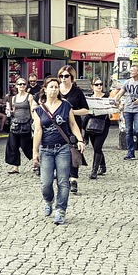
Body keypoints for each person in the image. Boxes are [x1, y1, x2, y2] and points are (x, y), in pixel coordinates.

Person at [32, 75, 85, 226]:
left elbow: (73, 124)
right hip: (46, 149)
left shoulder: (66, 105)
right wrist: (35, 152)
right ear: (45, 89)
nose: (54, 89)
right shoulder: (39, 110)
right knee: (46, 182)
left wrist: (80, 140)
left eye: (56, 87)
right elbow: (37, 131)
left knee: (63, 182)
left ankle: (61, 210)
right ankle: (48, 200)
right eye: (51, 87)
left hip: (63, 148)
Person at [57, 66, 89, 194]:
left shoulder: (77, 92)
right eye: (61, 76)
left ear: (72, 77)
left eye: (66, 76)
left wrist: (71, 112)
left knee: (74, 152)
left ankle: (73, 179)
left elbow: (86, 109)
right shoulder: (55, 90)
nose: (63, 79)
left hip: (74, 125)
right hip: (58, 126)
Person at [118, 63, 138, 160]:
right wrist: (116, 100)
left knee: (137, 130)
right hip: (128, 109)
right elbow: (120, 93)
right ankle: (130, 152)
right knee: (128, 131)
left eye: (133, 70)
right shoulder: (127, 82)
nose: (131, 72)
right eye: (130, 70)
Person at [4, 76, 37, 174]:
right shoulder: (14, 98)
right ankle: (15, 167)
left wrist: (34, 121)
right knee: (13, 145)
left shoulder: (29, 96)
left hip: (26, 124)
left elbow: (32, 110)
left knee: (26, 146)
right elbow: (14, 110)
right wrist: (9, 111)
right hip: (15, 124)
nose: (22, 86)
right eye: (20, 84)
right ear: (16, 86)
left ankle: (36, 162)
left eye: (24, 84)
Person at [84, 77, 115, 179]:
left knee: (97, 146)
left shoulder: (106, 96)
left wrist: (110, 111)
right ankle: (103, 166)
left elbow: (112, 109)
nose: (99, 86)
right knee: (96, 147)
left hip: (103, 124)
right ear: (92, 87)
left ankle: (94, 170)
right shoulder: (89, 98)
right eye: (96, 84)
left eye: (100, 84)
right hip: (92, 124)